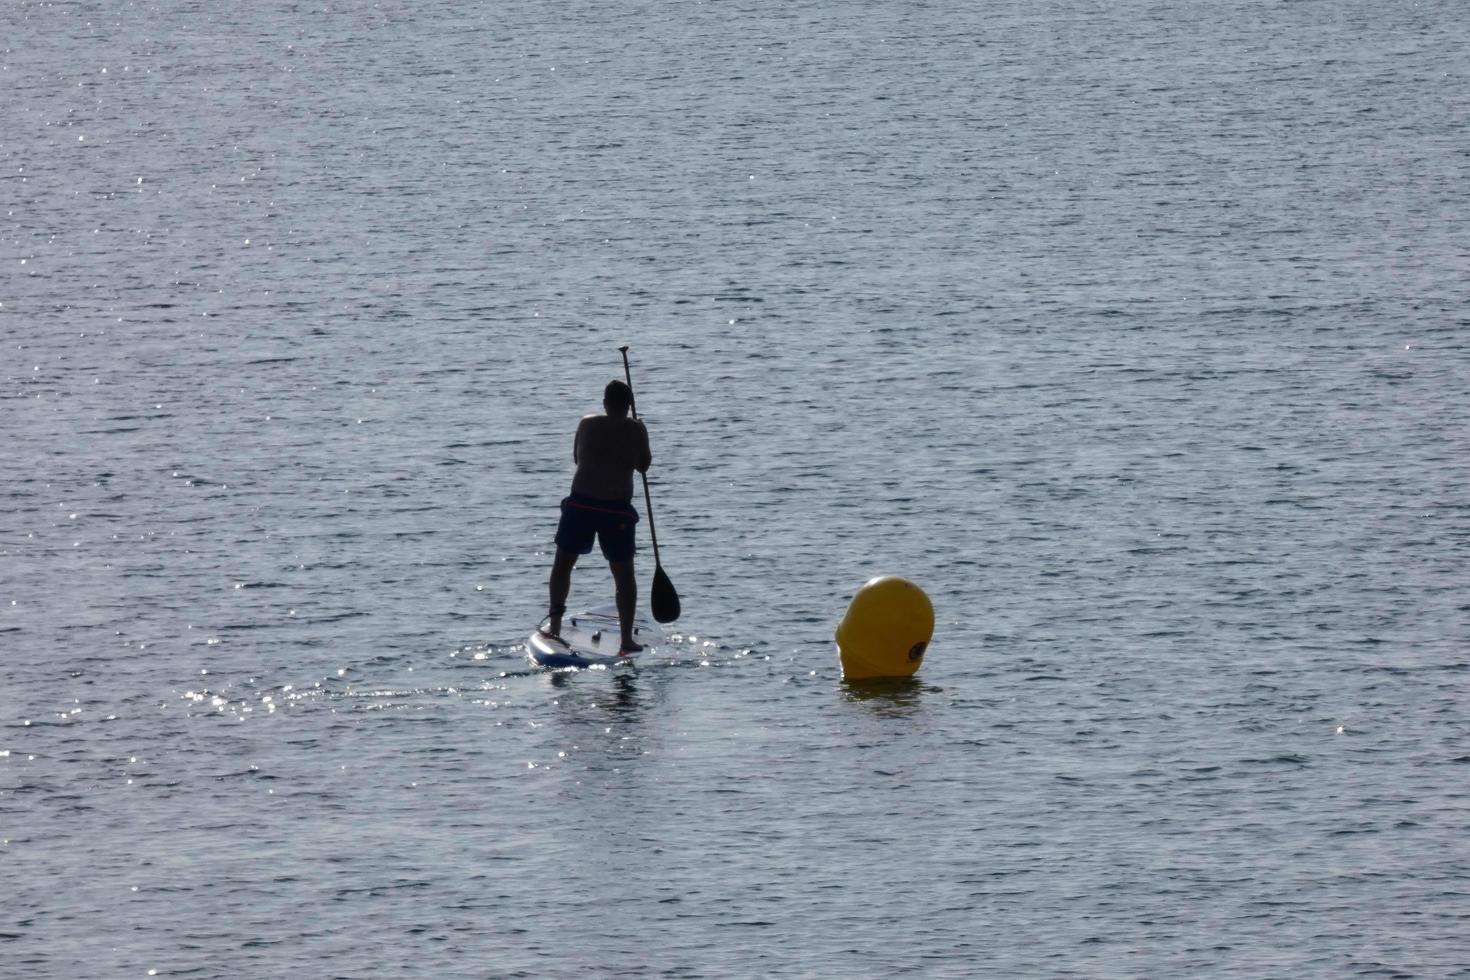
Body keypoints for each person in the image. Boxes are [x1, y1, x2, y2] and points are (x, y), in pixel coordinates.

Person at [544, 379, 652, 653]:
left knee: (563, 565)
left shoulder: (587, 423)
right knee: (624, 576)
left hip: (582, 505)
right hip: (616, 509)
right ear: (628, 406)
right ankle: (626, 639)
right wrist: (639, 430)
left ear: (605, 403)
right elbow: (643, 465)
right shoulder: (636, 428)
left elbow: (577, 458)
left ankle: (555, 626)